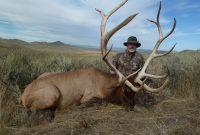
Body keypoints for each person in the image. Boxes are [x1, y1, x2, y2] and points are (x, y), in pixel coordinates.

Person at [112, 36, 154, 107]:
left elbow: (143, 72)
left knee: (149, 81)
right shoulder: (118, 56)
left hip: (134, 82)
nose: (132, 46)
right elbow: (112, 70)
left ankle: (146, 101)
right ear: (127, 45)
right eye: (130, 44)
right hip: (121, 81)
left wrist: (141, 78)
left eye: (134, 44)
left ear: (136, 46)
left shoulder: (140, 57)